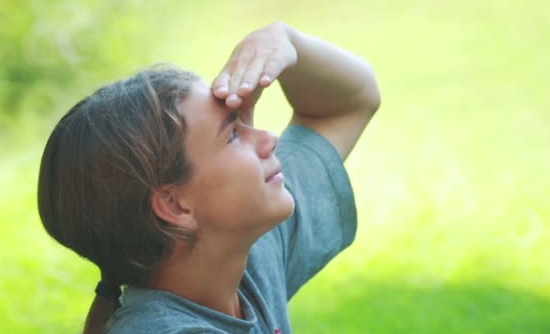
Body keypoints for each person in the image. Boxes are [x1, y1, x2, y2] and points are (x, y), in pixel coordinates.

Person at [38, 22, 380, 333]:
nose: (268, 138)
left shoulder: (246, 263)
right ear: (174, 204)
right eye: (232, 134)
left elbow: (347, 105)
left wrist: (286, 41)